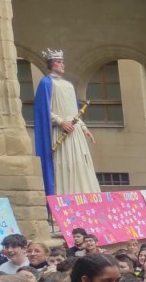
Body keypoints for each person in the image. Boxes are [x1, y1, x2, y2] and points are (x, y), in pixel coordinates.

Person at [33, 49, 100, 196]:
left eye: (62, 62)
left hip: (75, 131)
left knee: (81, 164)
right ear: (51, 65)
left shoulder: (69, 85)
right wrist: (60, 121)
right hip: (60, 131)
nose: (62, 65)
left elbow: (75, 110)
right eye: (58, 62)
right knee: (64, 165)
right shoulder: (46, 83)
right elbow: (42, 110)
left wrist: (83, 127)